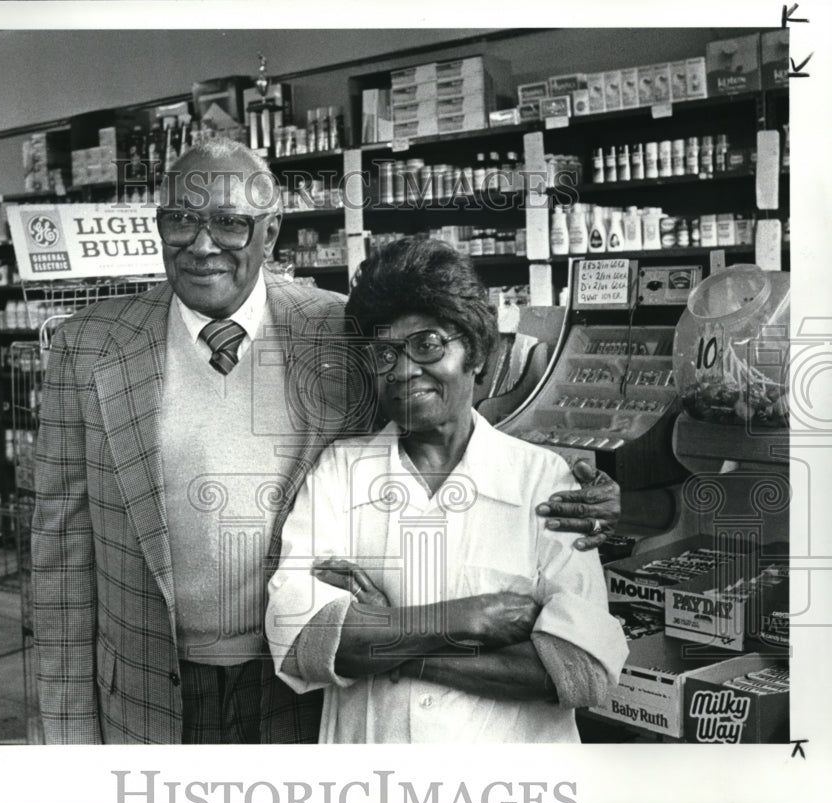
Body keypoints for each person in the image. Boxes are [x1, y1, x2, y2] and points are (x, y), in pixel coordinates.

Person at [31, 138, 621, 745]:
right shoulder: (89, 346)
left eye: (230, 223)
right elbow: (60, 556)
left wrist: (584, 485)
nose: (202, 244)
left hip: (302, 699)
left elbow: (465, 394)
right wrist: (63, 741)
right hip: (145, 683)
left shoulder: (334, 324)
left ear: (270, 231)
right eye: (180, 219)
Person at [266, 237, 628, 743]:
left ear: (476, 352)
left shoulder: (545, 482)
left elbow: (578, 670)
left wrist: (388, 633)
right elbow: (304, 641)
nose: (404, 369)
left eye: (428, 344)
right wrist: (466, 618)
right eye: (384, 353)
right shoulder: (339, 473)